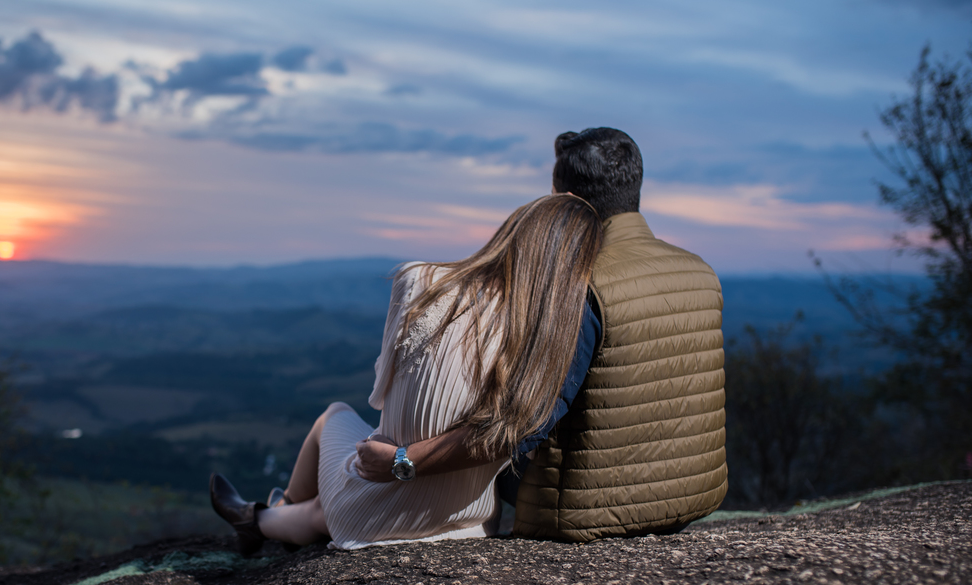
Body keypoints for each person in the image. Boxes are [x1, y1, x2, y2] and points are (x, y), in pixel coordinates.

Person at [355, 128, 728, 542]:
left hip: (583, 512)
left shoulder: (578, 287)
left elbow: (519, 424)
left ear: (563, 201)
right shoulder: (701, 271)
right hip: (692, 496)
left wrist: (403, 460)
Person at [209, 193, 603, 553]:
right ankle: (260, 517)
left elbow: (383, 392)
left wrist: (402, 460)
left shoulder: (420, 279)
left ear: (513, 234)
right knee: (326, 508)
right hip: (467, 522)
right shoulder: (551, 348)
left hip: (380, 496)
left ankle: (267, 515)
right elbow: (508, 438)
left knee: (334, 414)